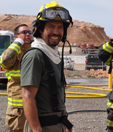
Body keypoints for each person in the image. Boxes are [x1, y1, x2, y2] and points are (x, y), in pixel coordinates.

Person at [20, 1, 73, 132]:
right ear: (40, 29)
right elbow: (27, 96)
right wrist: (37, 130)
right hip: (42, 127)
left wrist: (65, 122)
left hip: (57, 125)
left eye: (60, 27)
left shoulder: (52, 55)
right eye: (51, 26)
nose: (56, 32)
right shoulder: (35, 56)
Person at [0, 24, 32, 132]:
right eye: (24, 32)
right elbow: (5, 61)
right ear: (16, 36)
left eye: (29, 32)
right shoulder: (13, 52)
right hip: (19, 106)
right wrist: (18, 43)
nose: (28, 34)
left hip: (35, 103)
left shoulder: (34, 51)